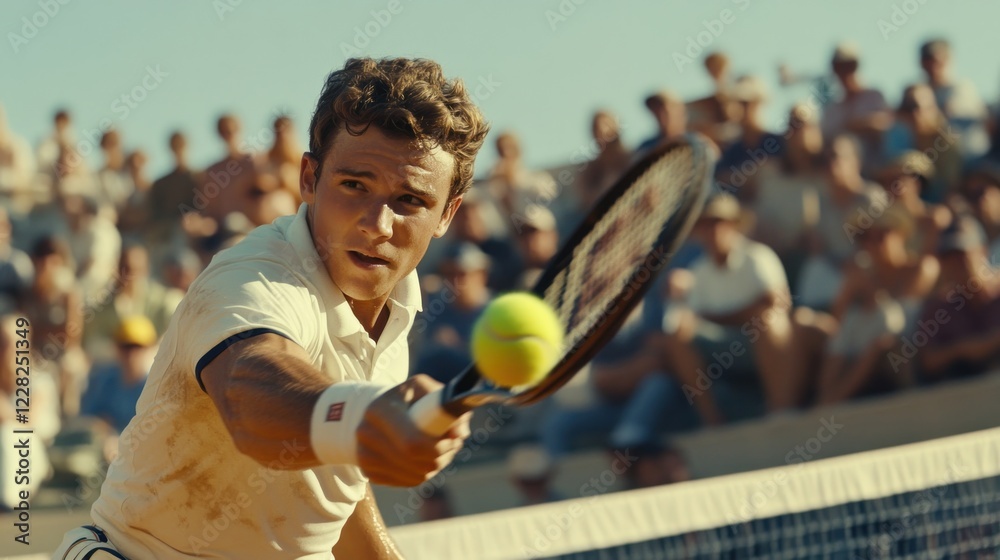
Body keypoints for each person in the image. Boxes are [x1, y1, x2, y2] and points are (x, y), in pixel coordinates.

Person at [55, 56, 488, 560]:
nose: (378, 224)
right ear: (308, 178)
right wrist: (367, 420)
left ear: (447, 213)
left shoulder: (398, 305)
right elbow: (250, 392)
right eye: (354, 185)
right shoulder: (250, 275)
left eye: (411, 200)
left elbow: (330, 481)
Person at [915, 215, 1000, 382]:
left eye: (961, 255)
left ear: (982, 251)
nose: (955, 264)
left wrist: (988, 344)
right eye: (948, 258)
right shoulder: (940, 307)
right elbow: (928, 361)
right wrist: (963, 350)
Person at [80, 315, 158, 462]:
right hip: (100, 449)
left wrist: (122, 443)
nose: (131, 354)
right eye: (126, 346)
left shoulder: (156, 386)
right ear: (116, 347)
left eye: (137, 346)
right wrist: (106, 436)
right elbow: (89, 419)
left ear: (150, 348)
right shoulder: (104, 379)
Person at [820, 43, 892, 173]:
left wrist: (855, 125)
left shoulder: (874, 97)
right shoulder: (831, 110)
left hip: (876, 170)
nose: (845, 72)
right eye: (840, 67)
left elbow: (887, 124)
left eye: (850, 66)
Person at [686, 52, 741, 149]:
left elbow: (735, 117)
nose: (716, 72)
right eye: (712, 68)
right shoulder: (699, 105)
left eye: (719, 68)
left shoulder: (742, 97)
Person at [636, 90, 688, 155]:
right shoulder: (646, 148)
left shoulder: (694, 143)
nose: (660, 116)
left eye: (665, 111)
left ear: (679, 111)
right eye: (656, 111)